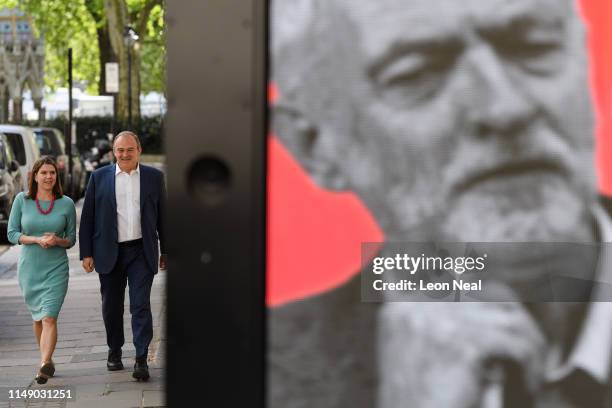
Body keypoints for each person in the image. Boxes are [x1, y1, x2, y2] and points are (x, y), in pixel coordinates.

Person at [269, 0, 612, 406]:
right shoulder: (250, 371)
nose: (506, 107)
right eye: (415, 74)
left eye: (533, 47)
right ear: (316, 146)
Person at [79, 131, 166, 381]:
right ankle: (114, 351)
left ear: (138, 150)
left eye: (129, 149)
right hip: (109, 252)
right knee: (111, 307)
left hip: (142, 251)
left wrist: (167, 250)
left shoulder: (153, 177)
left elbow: (163, 216)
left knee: (140, 305)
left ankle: (141, 358)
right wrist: (86, 253)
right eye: (120, 150)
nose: (125, 154)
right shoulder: (98, 178)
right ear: (113, 152)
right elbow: (87, 218)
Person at [7, 156, 77, 384]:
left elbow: (71, 240)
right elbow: (12, 234)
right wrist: (36, 239)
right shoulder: (21, 200)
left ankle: (43, 365)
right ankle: (48, 360)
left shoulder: (66, 203)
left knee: (49, 317)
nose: (48, 177)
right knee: (38, 318)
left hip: (56, 267)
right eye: (44, 173)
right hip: (30, 268)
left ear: (57, 176)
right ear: (35, 176)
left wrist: (57, 240)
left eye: (52, 173)